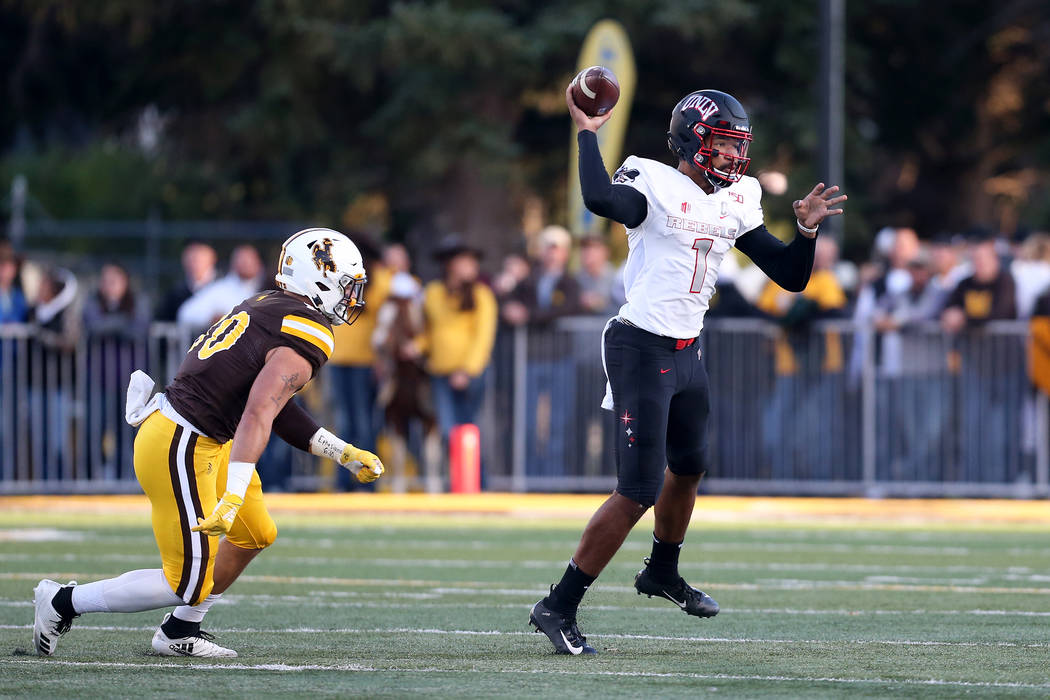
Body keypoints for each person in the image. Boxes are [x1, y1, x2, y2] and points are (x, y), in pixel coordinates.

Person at [529, 86, 846, 655]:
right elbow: (601, 200)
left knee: (692, 465)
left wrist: (805, 232)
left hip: (686, 348)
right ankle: (558, 605)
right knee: (636, 490)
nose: (732, 157)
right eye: (721, 145)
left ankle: (661, 572)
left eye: (736, 146)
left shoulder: (737, 197)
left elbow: (790, 277)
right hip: (640, 347)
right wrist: (587, 133)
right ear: (689, 142)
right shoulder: (651, 181)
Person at [32, 228, 384, 658]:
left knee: (255, 533)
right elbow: (259, 411)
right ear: (320, 278)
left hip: (206, 440)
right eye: (347, 284)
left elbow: (272, 404)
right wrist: (234, 495)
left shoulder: (269, 304)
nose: (352, 297)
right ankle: (61, 601)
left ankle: (180, 629)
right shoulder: (308, 330)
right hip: (181, 442)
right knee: (184, 581)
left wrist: (341, 452)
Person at [417, 235, 498, 485]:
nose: (472, 267)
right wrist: (416, 346)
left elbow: (483, 336)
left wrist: (467, 370)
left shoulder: (482, 295)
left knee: (470, 429)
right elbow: (430, 331)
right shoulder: (433, 292)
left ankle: (477, 483)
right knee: (447, 430)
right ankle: (456, 482)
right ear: (452, 264)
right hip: (440, 371)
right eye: (466, 261)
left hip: (471, 373)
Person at [176, 244, 265, 335]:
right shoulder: (219, 290)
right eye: (241, 260)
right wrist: (213, 318)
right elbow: (186, 314)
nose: (246, 264)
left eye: (249, 259)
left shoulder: (272, 287)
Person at [156, 241, 218, 322]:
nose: (194, 261)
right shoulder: (175, 294)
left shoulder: (223, 288)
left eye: (199, 257)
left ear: (212, 258)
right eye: (190, 256)